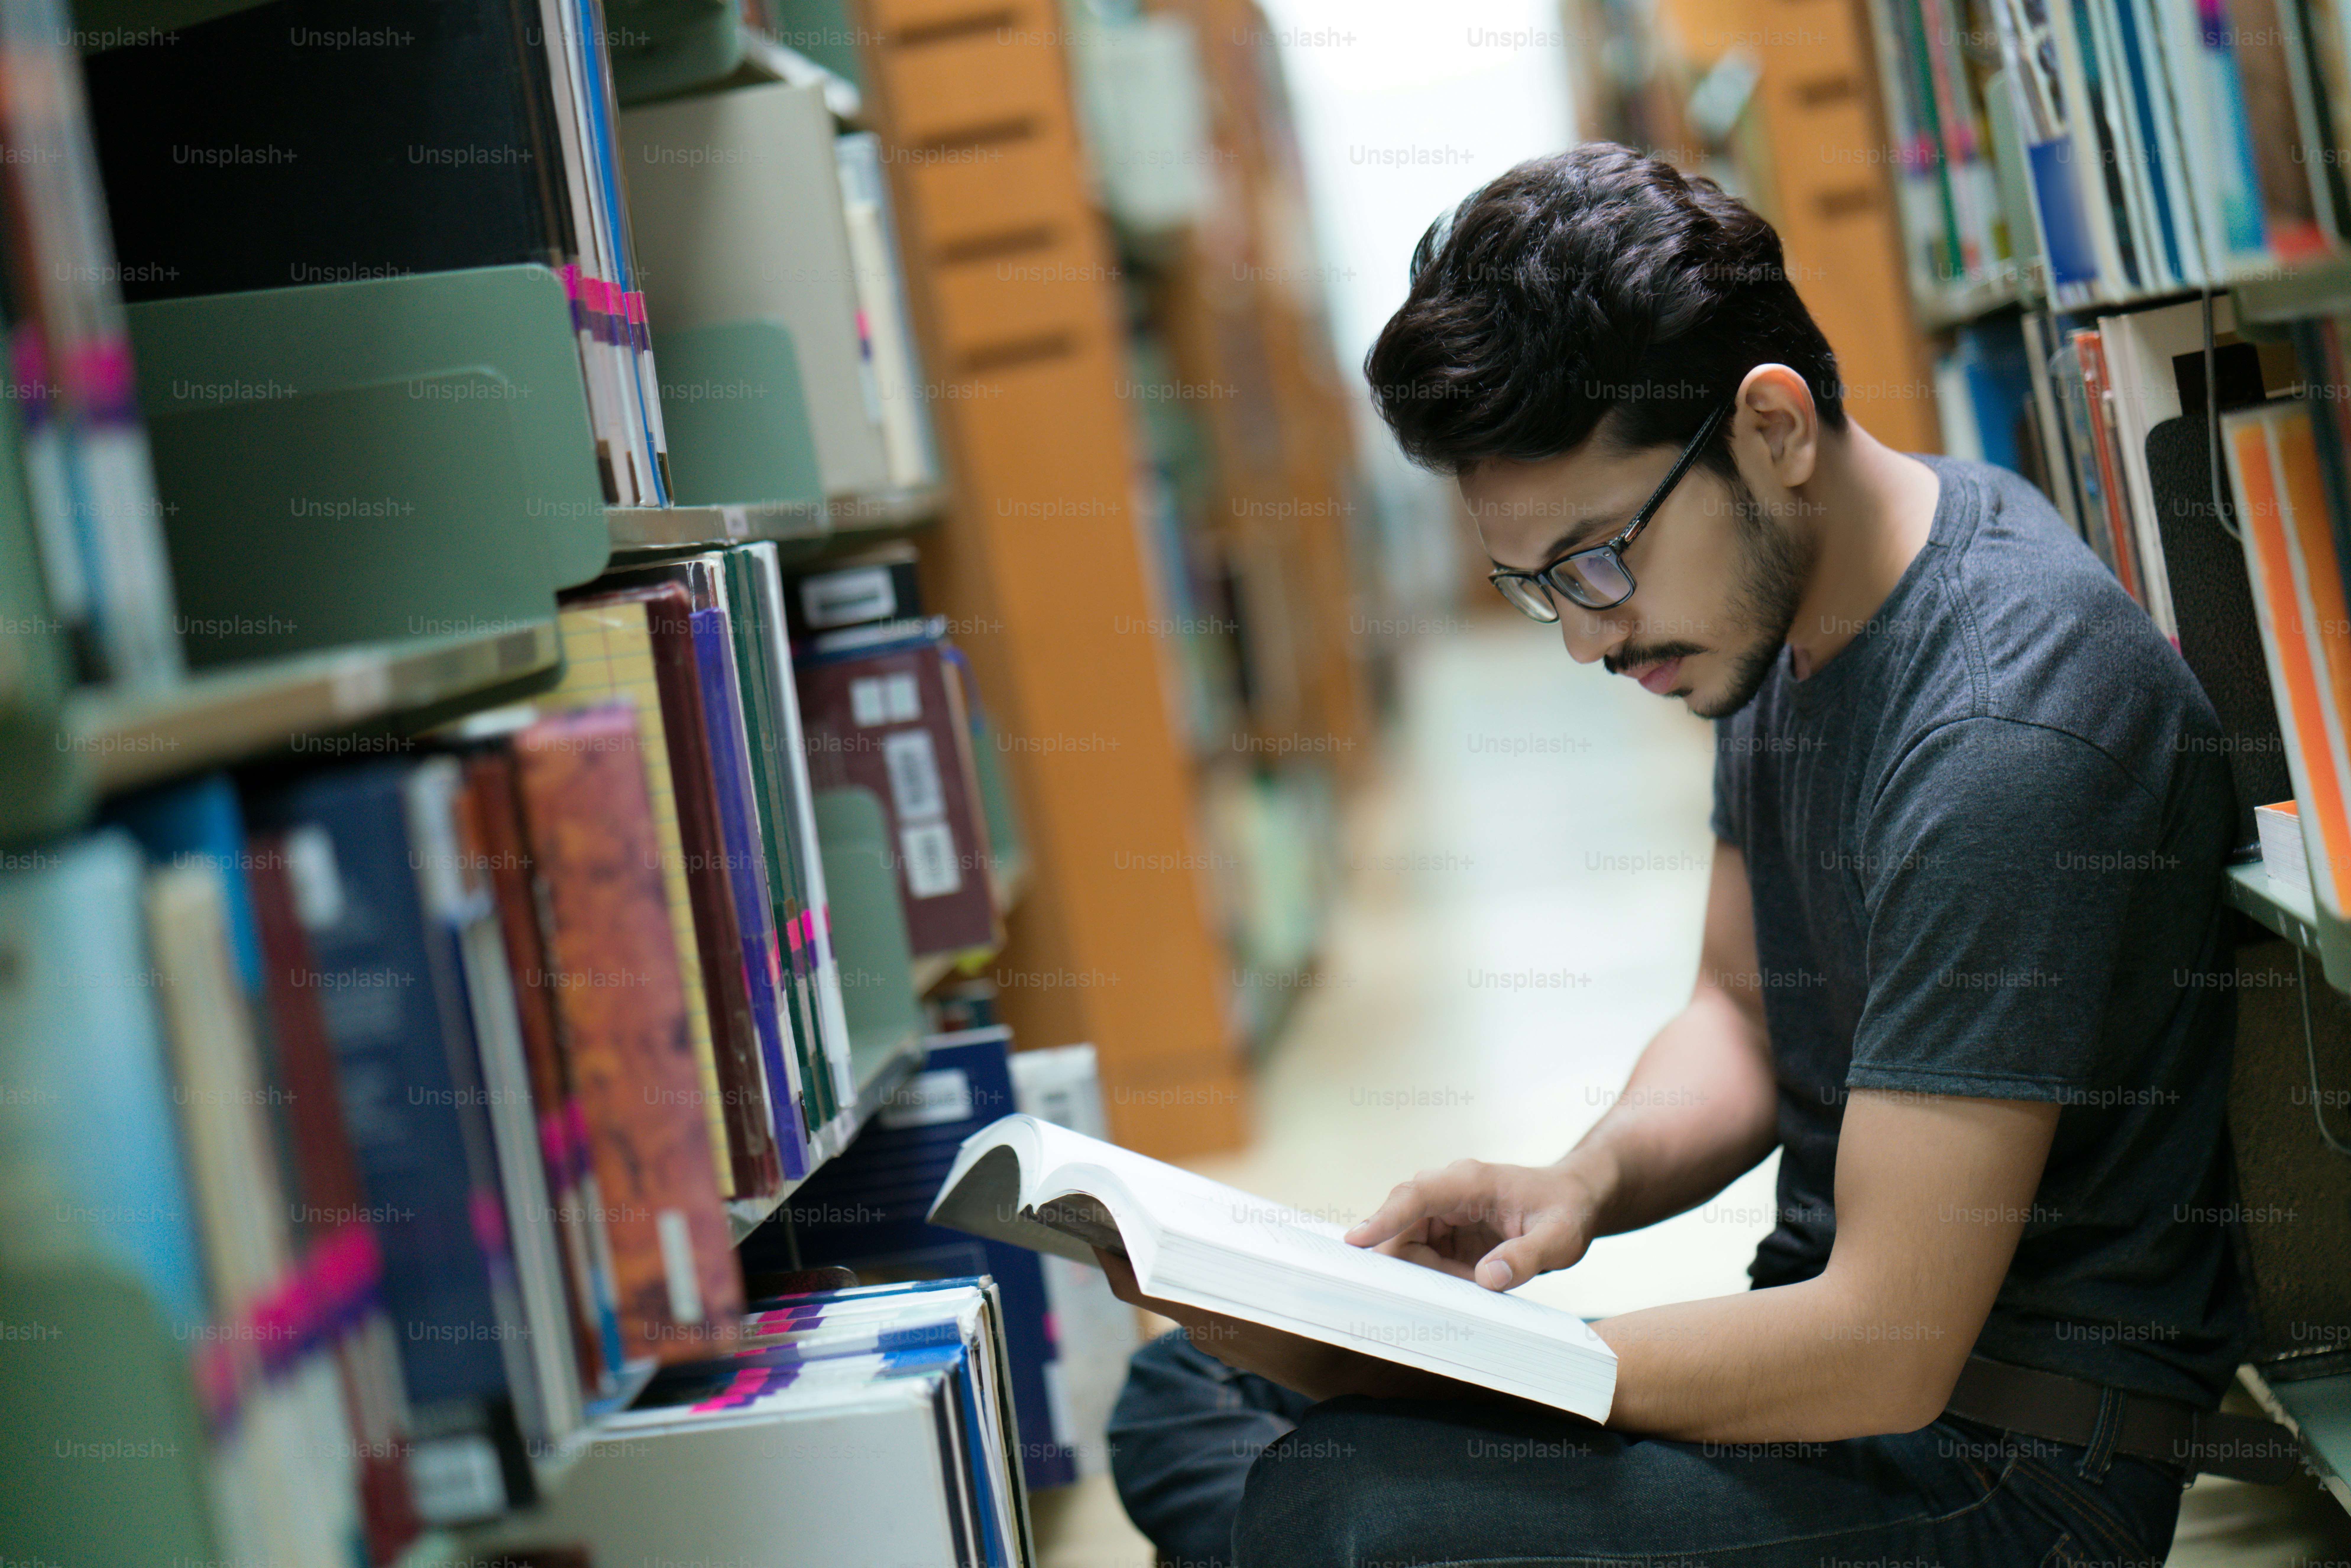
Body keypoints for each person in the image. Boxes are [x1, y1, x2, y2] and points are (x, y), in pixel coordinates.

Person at [1101, 143, 2277, 1568]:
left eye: (1598, 560)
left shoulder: (2004, 730)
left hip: (1993, 1469)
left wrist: (1472, 1373)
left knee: (1333, 1497)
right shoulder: (1785, 609)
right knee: (1186, 1392)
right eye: (1535, 586)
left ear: (1770, 425)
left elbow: (1882, 1347)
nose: (1590, 636)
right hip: (1834, 1389)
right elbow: (1739, 1009)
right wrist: (1583, 1183)